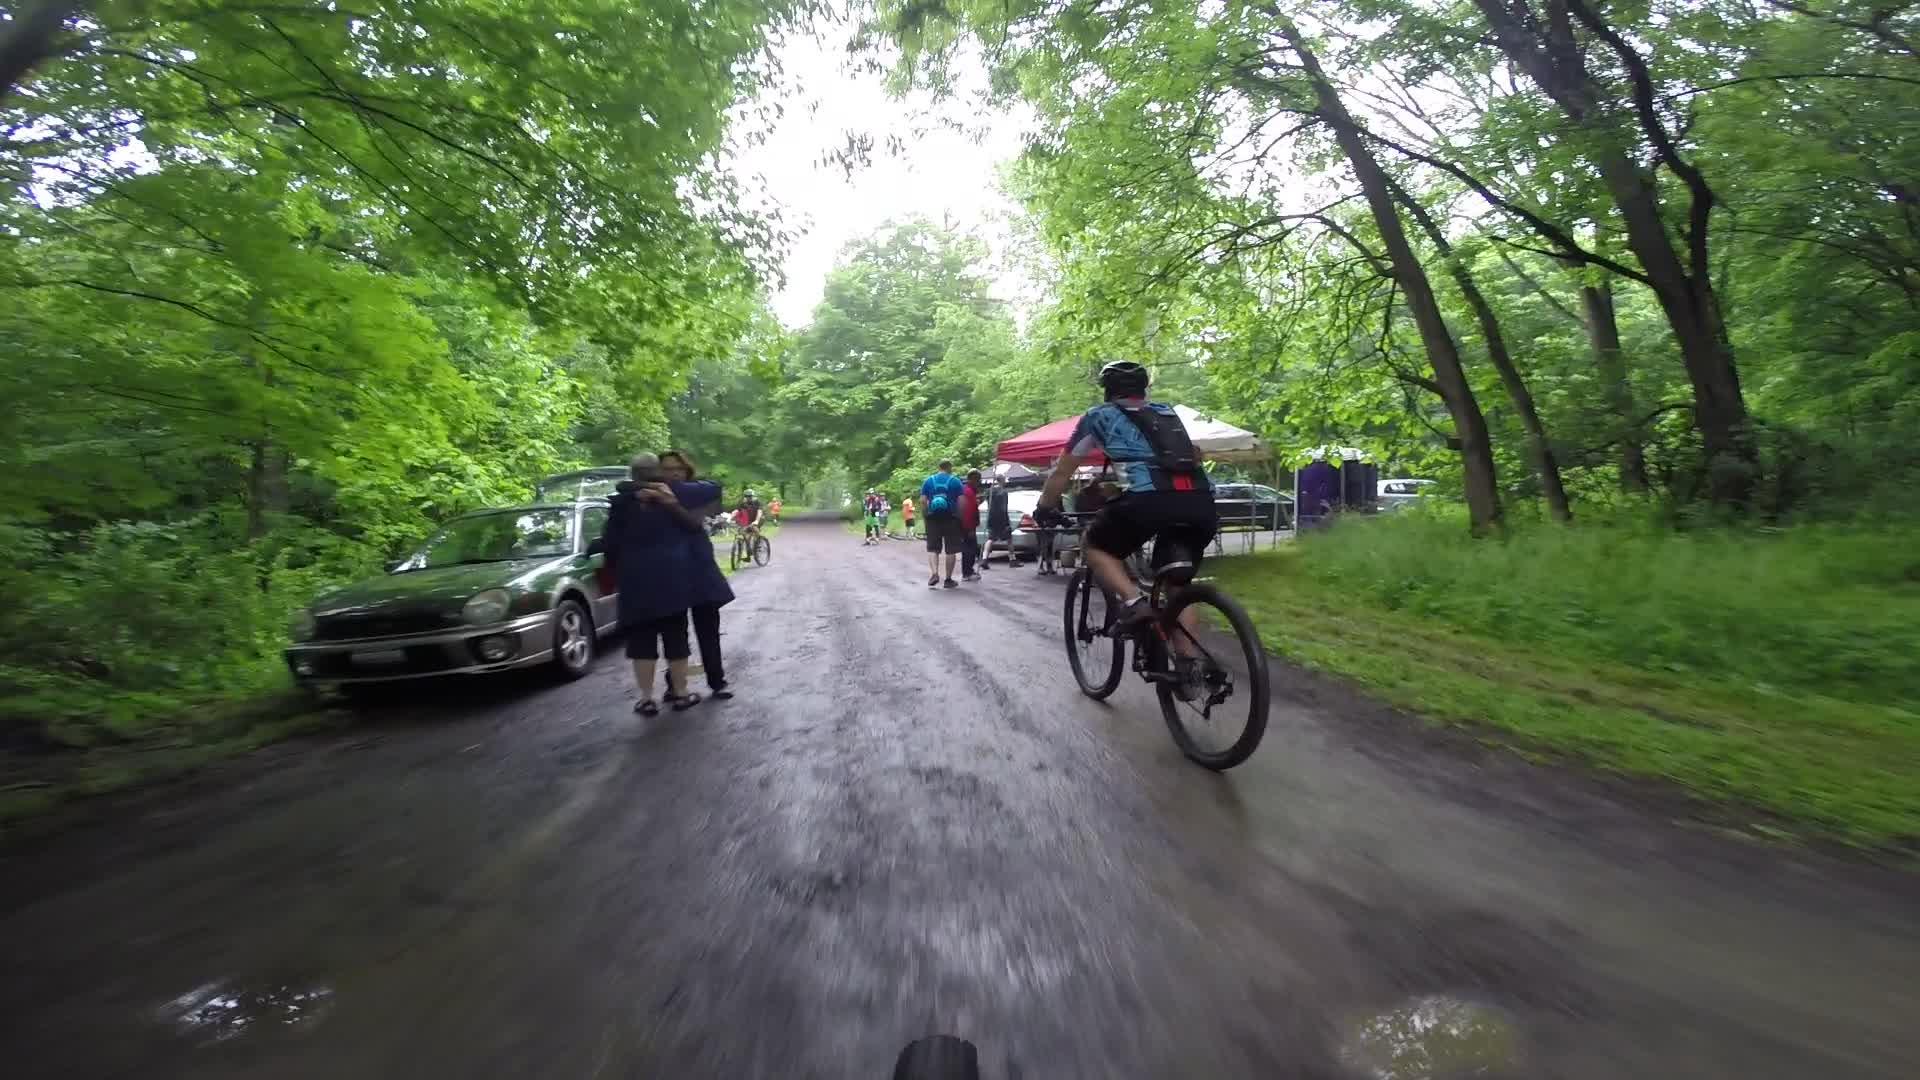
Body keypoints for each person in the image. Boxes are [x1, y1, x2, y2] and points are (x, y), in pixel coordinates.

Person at [1034, 360, 1218, 643]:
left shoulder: (1098, 417)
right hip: (1200, 502)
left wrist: (1045, 506)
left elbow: (1062, 472)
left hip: (1148, 502)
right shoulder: (1166, 413)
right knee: (1178, 587)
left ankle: (1135, 603)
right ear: (1144, 389)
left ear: (1107, 390)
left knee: (1094, 545)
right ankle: (1190, 670)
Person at [592, 452, 720, 715]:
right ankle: (682, 694)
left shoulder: (622, 503)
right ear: (658, 472)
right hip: (672, 579)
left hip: (635, 583)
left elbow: (611, 543)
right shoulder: (674, 496)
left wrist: (600, 554)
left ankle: (647, 698)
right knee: (676, 637)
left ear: (633, 473)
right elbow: (695, 525)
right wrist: (670, 501)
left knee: (641, 641)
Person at [658, 450, 735, 700]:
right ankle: (675, 685)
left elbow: (714, 487)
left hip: (699, 569)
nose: (674, 473)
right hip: (670, 571)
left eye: (678, 468)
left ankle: (717, 681)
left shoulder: (694, 490)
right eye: (667, 469)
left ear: (687, 470)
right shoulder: (652, 495)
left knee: (708, 629)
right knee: (674, 633)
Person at [919, 459, 968, 588]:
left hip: (933, 519)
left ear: (939, 467)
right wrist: (960, 517)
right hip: (951, 518)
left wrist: (925, 516)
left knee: (932, 548)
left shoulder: (928, 481)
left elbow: (923, 501)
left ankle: (935, 573)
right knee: (951, 550)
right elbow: (962, 502)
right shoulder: (955, 481)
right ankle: (948, 579)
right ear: (949, 467)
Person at [980, 477, 1019, 570]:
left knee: (990, 538)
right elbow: (1004, 506)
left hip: (992, 517)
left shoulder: (989, 491)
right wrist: (1006, 520)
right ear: (1001, 481)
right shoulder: (1004, 492)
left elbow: (987, 502)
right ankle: (1012, 560)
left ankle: (984, 559)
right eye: (1004, 480)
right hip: (1002, 518)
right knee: (1009, 538)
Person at [958, 469, 983, 581]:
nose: (979, 482)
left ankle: (968, 571)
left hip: (967, 525)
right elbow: (968, 511)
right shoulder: (968, 492)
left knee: (970, 548)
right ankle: (967, 572)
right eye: (978, 480)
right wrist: (970, 528)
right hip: (968, 526)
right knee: (969, 549)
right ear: (972, 479)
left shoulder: (969, 491)